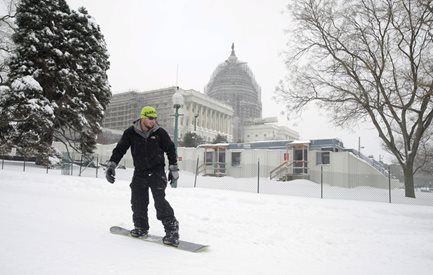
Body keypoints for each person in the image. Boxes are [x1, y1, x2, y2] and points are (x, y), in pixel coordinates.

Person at [105, 106, 180, 246]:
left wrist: (173, 168)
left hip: (157, 171)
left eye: (155, 119)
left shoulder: (160, 133)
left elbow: (170, 149)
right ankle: (141, 227)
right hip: (140, 171)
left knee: (160, 201)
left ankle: (172, 231)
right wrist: (112, 165)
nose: (153, 121)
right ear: (143, 117)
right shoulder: (130, 133)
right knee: (138, 201)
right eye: (150, 118)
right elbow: (120, 149)